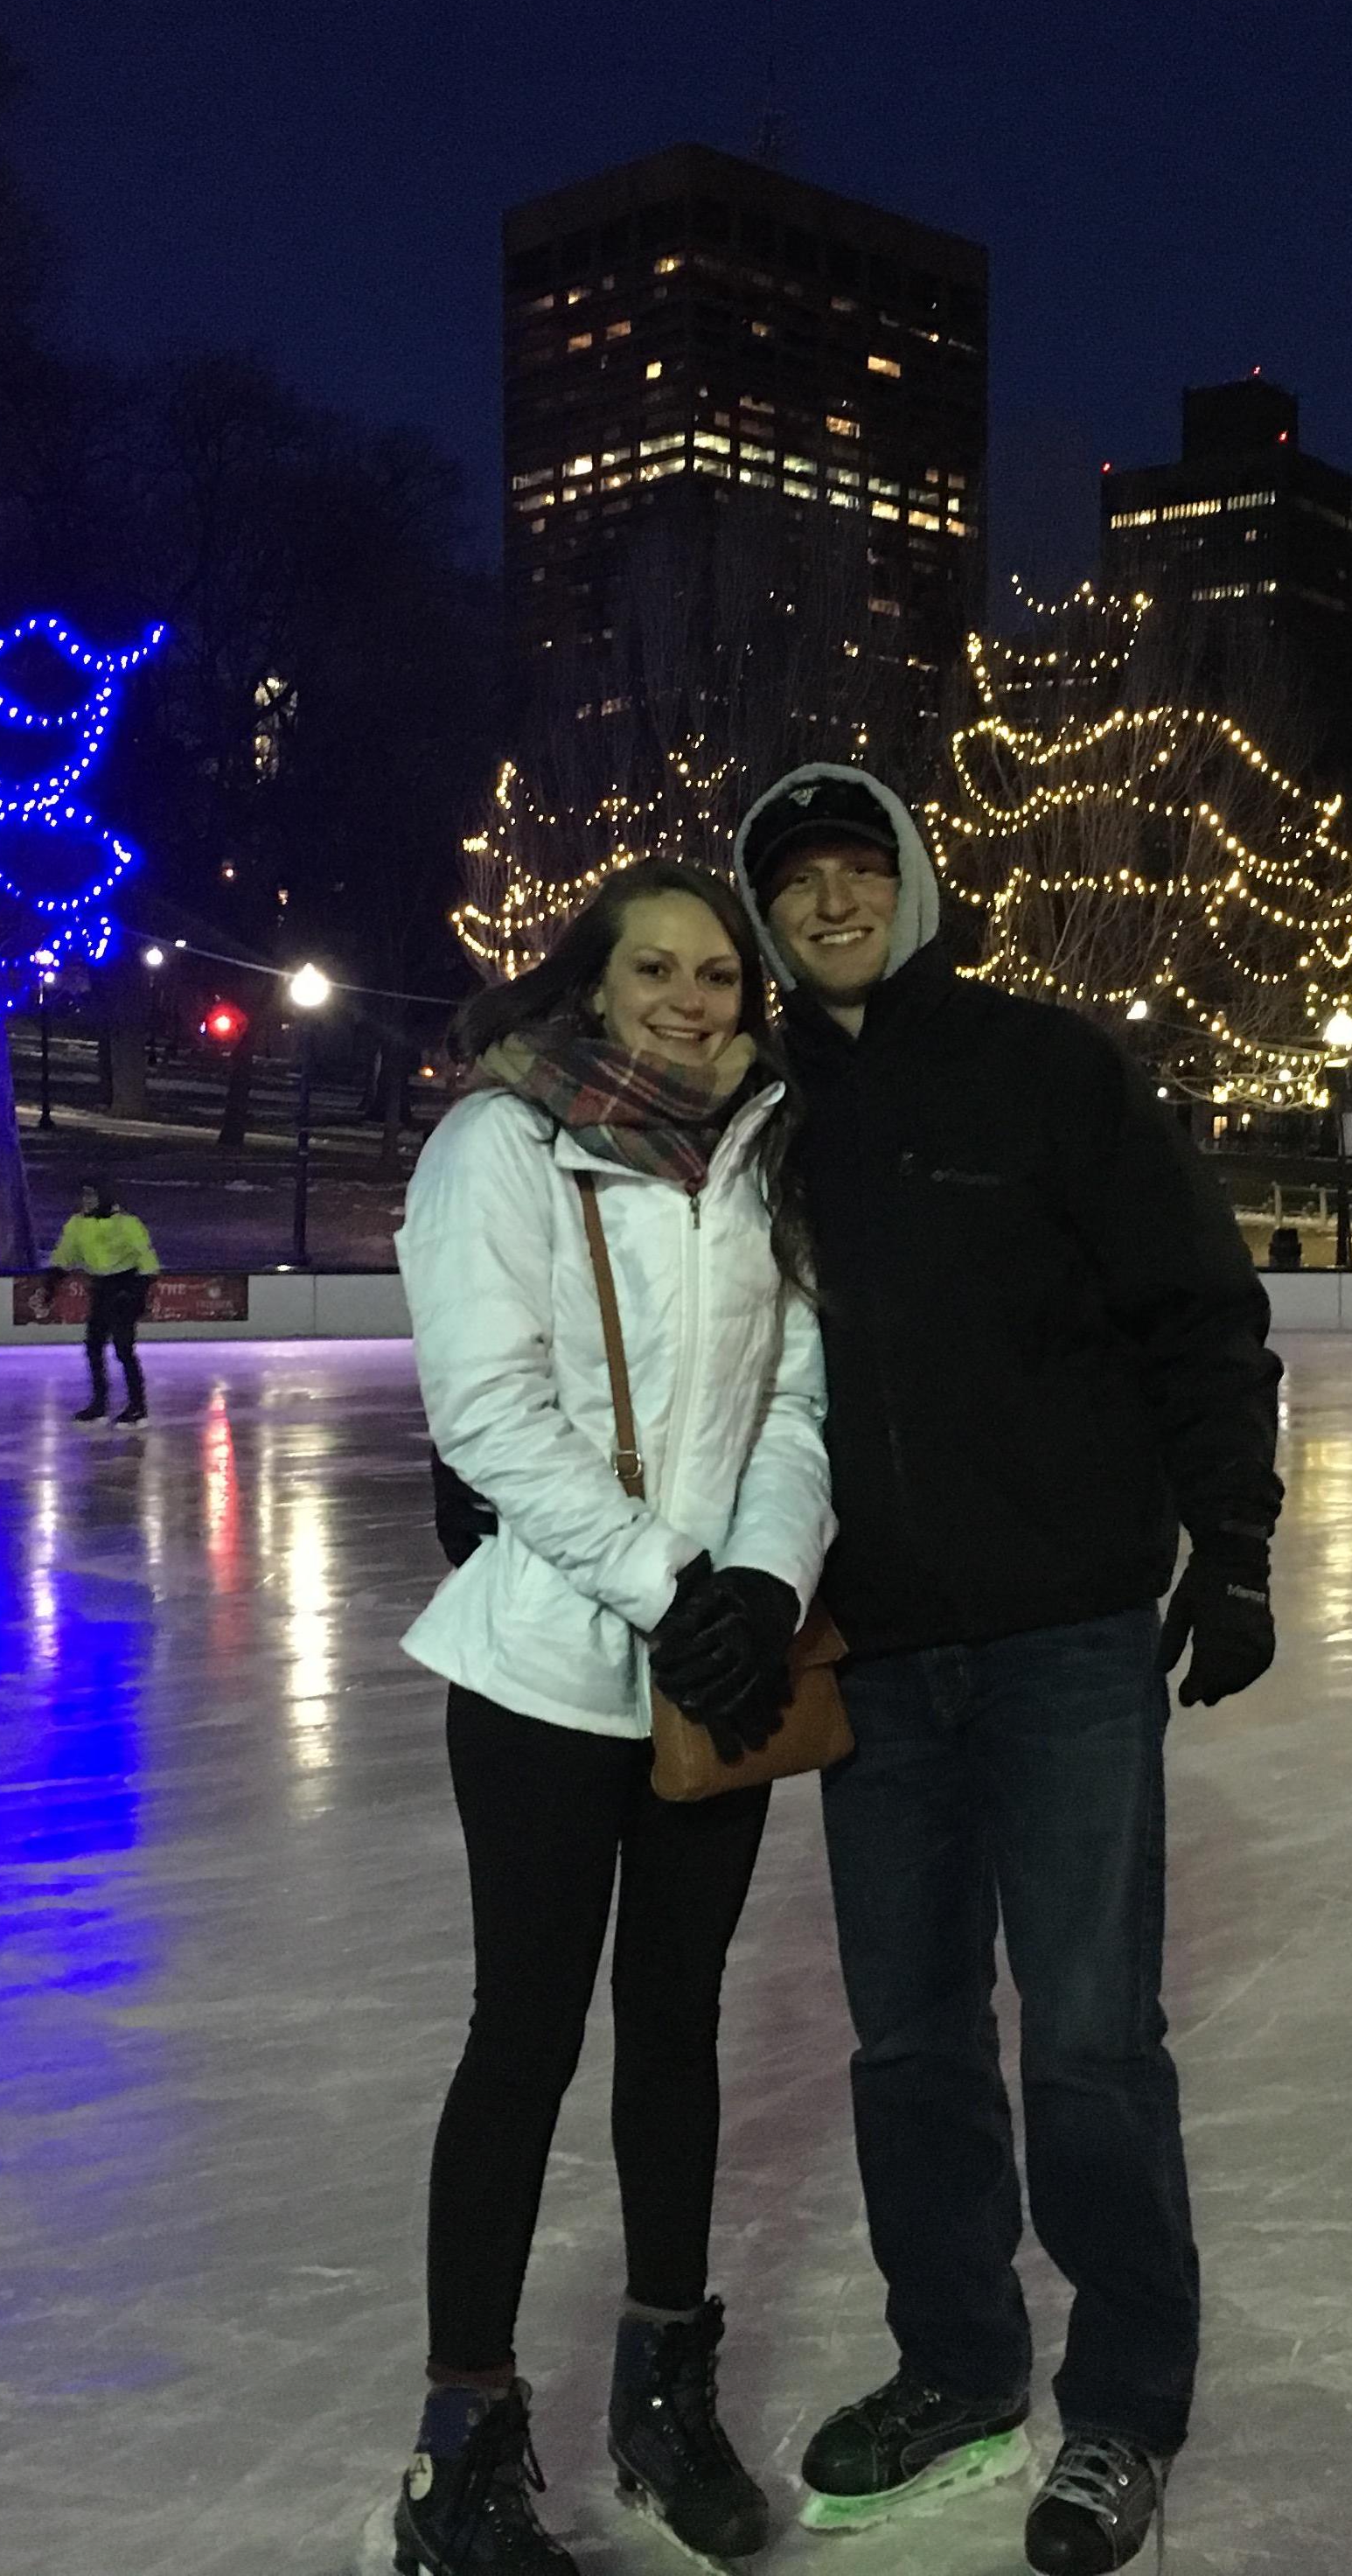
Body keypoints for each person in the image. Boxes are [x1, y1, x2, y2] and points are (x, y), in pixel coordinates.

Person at [730, 764, 1284, 2575]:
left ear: (912, 879)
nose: (832, 902)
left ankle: (1123, 2403)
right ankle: (959, 2363)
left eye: (857, 866)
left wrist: (1239, 1538)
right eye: (796, 879)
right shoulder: (751, 1109)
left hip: (1063, 1633)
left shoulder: (1047, 1069)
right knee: (908, 2041)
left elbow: (1198, 1305)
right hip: (870, 1648)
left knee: (1095, 2040)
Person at [390, 859, 832, 2576]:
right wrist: (671, 1584)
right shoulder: (499, 1146)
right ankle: (461, 2453)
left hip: (717, 1668)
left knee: (678, 2029)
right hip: (547, 1675)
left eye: (721, 972)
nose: (694, 997)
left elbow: (800, 1399)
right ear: (591, 978)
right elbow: (488, 1416)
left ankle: (663, 2386)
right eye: (659, 967)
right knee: (526, 2036)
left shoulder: (764, 1153)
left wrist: (766, 1595)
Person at [44, 1180, 159, 1424]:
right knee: (93, 1346)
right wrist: (52, 1281)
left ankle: (138, 1406)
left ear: (104, 1197)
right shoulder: (77, 1224)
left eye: (92, 1196)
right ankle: (99, 1403)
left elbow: (146, 1258)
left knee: (123, 1349)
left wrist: (137, 1290)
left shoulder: (127, 1224)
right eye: (84, 1196)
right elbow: (66, 1253)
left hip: (126, 1288)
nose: (86, 1201)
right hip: (101, 1289)